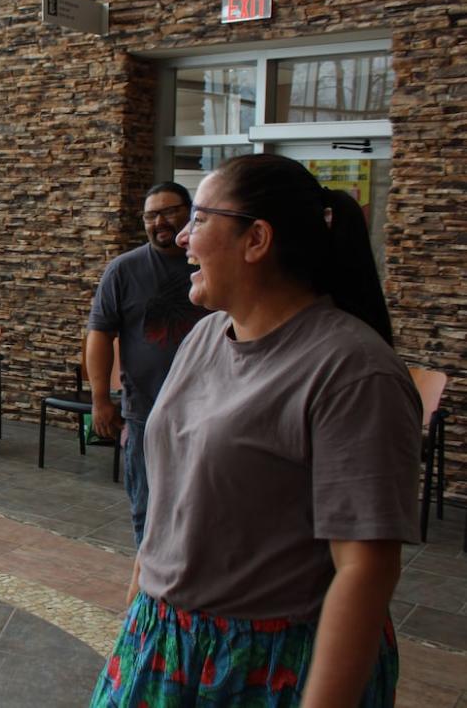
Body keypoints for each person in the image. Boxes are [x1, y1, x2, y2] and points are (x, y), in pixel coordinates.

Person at [91, 154, 421, 707]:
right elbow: (173, 504)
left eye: (199, 219)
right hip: (165, 638)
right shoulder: (205, 337)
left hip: (269, 666)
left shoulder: (351, 372)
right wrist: (137, 614)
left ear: (257, 239)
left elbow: (365, 570)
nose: (183, 238)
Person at [86, 181, 209, 546]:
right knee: (146, 509)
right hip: (145, 413)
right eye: (151, 215)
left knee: (201, 509)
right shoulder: (124, 270)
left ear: (189, 212)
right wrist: (100, 399)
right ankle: (149, 594)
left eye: (169, 211)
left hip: (206, 410)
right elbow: (99, 335)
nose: (160, 222)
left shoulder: (211, 264)